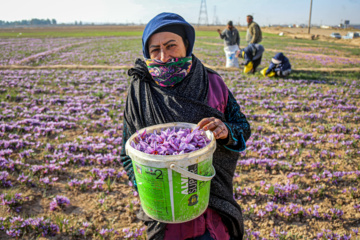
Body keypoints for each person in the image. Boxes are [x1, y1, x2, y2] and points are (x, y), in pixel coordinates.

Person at [121, 12, 251, 240]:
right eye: (155, 49)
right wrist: (148, 188)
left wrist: (226, 131)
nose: (164, 56)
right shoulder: (140, 90)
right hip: (165, 218)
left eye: (172, 46)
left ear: (186, 45)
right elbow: (127, 153)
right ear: (147, 52)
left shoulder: (212, 83)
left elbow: (242, 127)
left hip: (212, 209)